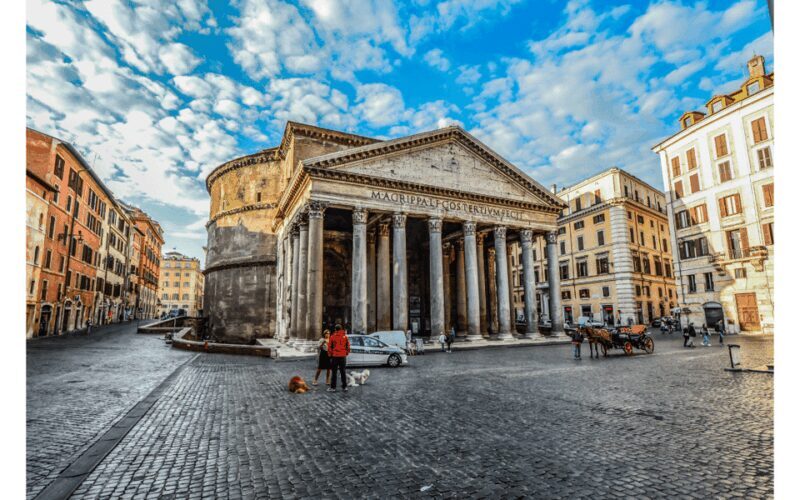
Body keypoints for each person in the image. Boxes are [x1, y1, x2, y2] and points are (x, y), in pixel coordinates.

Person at [327, 324, 350, 393]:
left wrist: (330, 355)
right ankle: (345, 387)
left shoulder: (332, 337)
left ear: (335, 329)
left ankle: (333, 387)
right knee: (343, 371)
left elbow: (329, 347)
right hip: (343, 356)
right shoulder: (345, 337)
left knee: (334, 372)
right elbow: (348, 346)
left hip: (335, 356)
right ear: (341, 329)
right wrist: (346, 353)